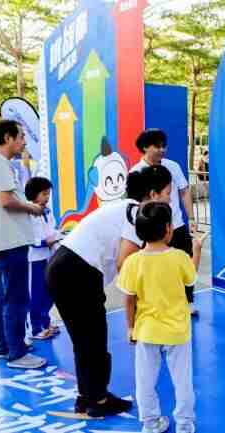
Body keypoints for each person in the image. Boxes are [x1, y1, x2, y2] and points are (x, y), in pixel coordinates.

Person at [45, 165, 172, 418]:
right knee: (93, 338)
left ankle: (88, 396)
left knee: (84, 340)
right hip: (78, 271)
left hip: (63, 267)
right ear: (153, 194)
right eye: (168, 193)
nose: (170, 199)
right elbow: (126, 263)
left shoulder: (125, 208)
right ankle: (98, 401)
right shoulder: (136, 214)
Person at [119, 201, 201, 433]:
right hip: (178, 331)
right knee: (182, 381)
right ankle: (184, 424)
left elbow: (129, 298)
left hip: (146, 330)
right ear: (167, 228)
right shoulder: (179, 257)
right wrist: (196, 252)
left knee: (145, 381)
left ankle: (151, 423)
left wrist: (130, 327)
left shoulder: (133, 261)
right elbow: (191, 279)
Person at [0, 119, 46, 369]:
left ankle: (6, 346)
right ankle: (17, 354)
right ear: (8, 138)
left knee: (6, 298)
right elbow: (6, 200)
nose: (24, 142)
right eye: (21, 137)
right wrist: (33, 208)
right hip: (9, 243)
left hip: (5, 242)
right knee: (16, 299)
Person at [131, 129, 198, 314]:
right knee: (154, 269)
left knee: (185, 262)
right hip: (152, 230)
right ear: (145, 147)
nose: (162, 150)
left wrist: (191, 218)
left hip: (176, 226)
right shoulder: (136, 172)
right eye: (157, 146)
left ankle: (187, 301)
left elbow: (184, 191)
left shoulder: (172, 166)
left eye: (164, 146)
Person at [25, 177, 62, 340]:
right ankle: (35, 329)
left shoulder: (47, 211)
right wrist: (43, 242)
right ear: (34, 194)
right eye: (44, 194)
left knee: (50, 291)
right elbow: (28, 236)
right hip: (34, 260)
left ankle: (45, 322)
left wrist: (59, 236)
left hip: (49, 257)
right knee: (36, 294)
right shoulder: (27, 212)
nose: (47, 197)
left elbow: (52, 229)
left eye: (48, 194)